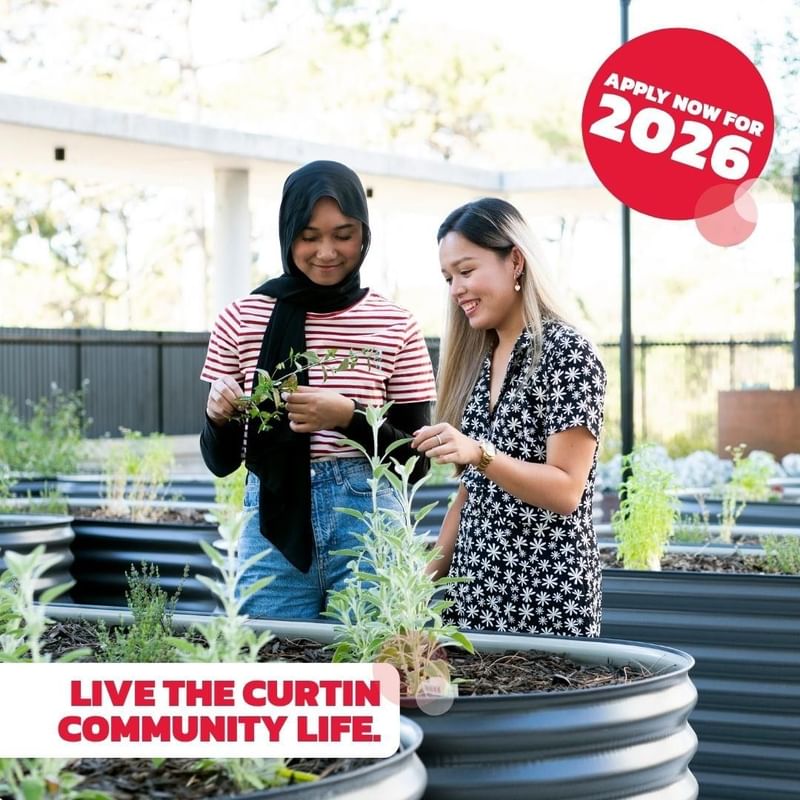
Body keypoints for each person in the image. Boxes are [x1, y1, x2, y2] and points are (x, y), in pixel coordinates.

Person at [200, 160, 437, 620]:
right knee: (271, 668)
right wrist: (217, 416)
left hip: (369, 518)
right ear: (288, 235)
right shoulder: (241, 318)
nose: (326, 252)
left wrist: (347, 416)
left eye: (343, 234)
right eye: (309, 236)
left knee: (375, 668)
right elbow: (220, 460)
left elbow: (416, 463)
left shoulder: (395, 324)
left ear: (364, 234)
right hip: (271, 520)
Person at [411, 198, 606, 636]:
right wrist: (417, 585)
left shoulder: (566, 354)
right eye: (448, 278)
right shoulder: (485, 358)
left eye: (466, 270)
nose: (456, 288)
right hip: (473, 599)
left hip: (546, 599)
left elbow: (567, 490)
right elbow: (470, 494)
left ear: (515, 261)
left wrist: (480, 453)